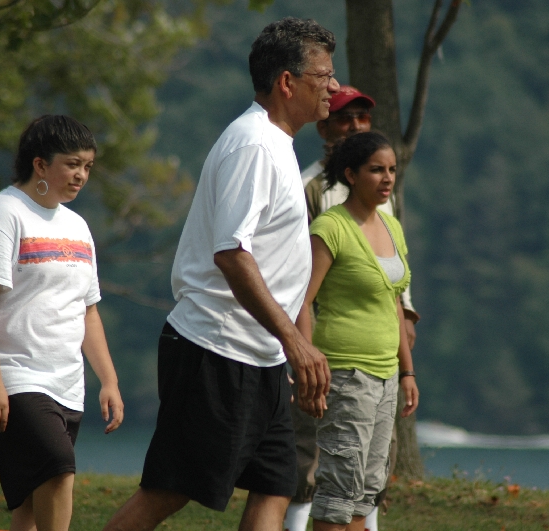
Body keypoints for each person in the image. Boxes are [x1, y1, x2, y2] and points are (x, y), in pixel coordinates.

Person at [103, 17, 338, 531]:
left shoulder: (277, 144)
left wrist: (290, 348)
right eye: (323, 75)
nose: (334, 86)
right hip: (216, 349)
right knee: (168, 491)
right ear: (287, 82)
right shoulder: (254, 145)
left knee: (276, 485)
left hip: (260, 355)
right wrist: (296, 344)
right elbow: (231, 253)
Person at [0, 115, 125, 531]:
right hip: (14, 375)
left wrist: (108, 380)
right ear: (39, 164)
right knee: (57, 467)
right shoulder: (2, 216)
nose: (81, 175)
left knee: (31, 506)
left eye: (87, 166)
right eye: (72, 164)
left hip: (66, 380)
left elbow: (87, 309)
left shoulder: (77, 226)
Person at [284, 87, 420, 531]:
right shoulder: (328, 222)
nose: (387, 178)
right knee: (337, 490)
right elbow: (301, 298)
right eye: (376, 170)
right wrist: (306, 361)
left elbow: (394, 300)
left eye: (391, 170)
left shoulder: (392, 224)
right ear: (351, 174)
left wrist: (407, 370)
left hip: (385, 374)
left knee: (367, 490)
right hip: (344, 371)